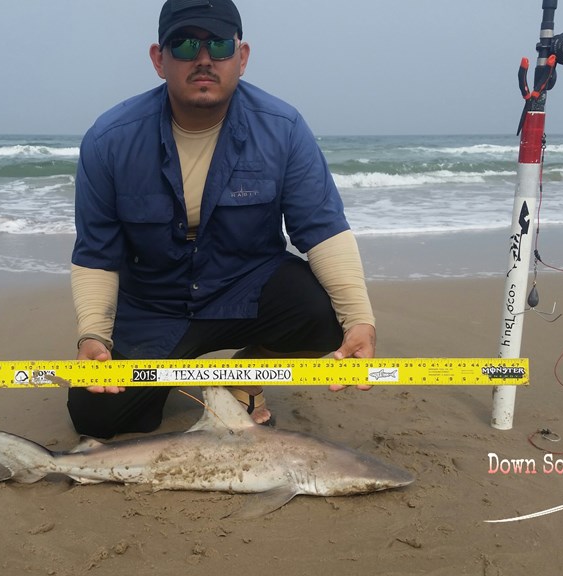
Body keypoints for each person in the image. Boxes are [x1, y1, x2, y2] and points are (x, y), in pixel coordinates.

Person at [68, 0, 376, 439]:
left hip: (244, 288)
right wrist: (93, 338)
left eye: (219, 45)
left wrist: (360, 321)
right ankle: (164, 370)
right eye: (185, 45)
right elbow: (97, 254)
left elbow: (323, 231)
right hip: (154, 305)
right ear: (159, 59)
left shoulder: (284, 129)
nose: (204, 59)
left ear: (242, 57)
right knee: (96, 416)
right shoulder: (108, 140)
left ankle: (245, 378)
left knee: (324, 314)